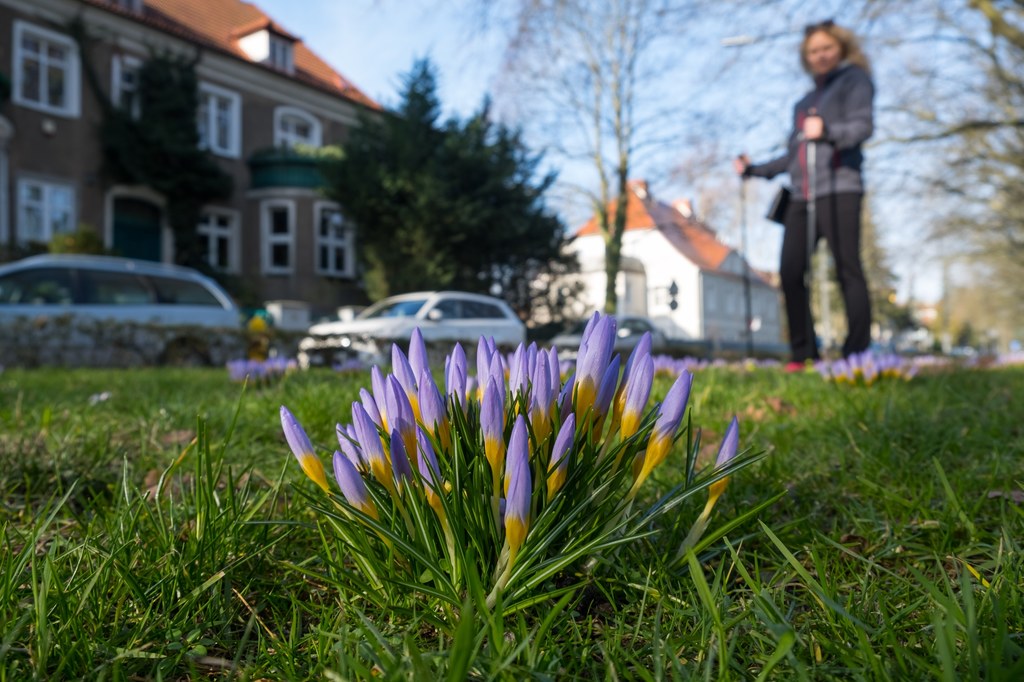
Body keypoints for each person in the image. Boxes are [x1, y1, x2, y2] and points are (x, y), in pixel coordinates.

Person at [735, 19, 874, 371]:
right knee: (790, 270)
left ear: (840, 48)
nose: (821, 55)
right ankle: (802, 352)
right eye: (813, 51)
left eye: (827, 48)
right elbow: (792, 156)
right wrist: (754, 170)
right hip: (801, 196)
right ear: (806, 57)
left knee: (848, 269)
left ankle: (855, 353)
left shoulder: (854, 80)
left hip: (840, 188)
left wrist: (827, 131)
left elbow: (862, 127)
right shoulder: (803, 103)